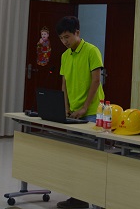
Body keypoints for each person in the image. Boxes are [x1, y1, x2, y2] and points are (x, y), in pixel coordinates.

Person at [55, 16, 104, 209]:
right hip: (73, 113)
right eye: (61, 38)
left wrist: (84, 107)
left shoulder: (92, 51)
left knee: (91, 158)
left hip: (91, 112)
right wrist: (65, 107)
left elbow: (96, 81)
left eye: (67, 37)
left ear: (77, 33)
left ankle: (98, 200)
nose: (64, 41)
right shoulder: (65, 56)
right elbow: (64, 83)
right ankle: (78, 198)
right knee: (75, 157)